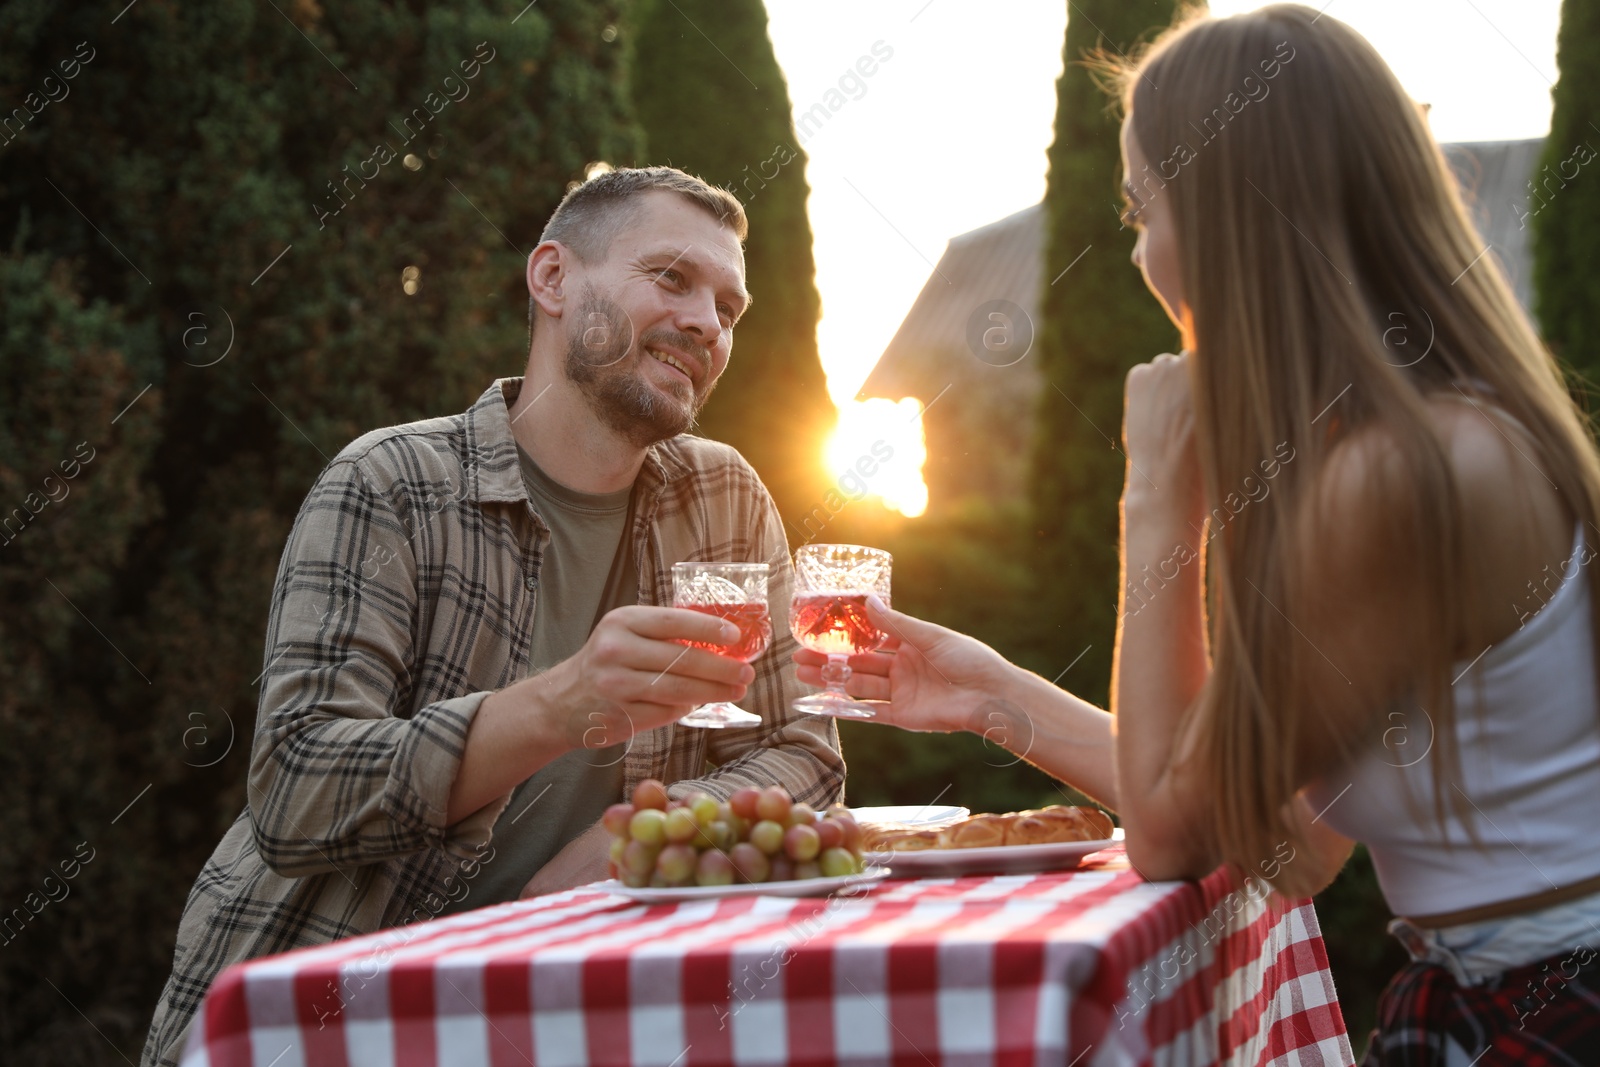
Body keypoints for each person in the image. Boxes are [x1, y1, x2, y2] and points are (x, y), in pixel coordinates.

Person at [796, 5, 1600, 1062]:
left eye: (1141, 211)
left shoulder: (1401, 476)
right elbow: (1286, 836)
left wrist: (1157, 492)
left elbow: (1177, 837)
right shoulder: (1423, 438)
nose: (1140, 254)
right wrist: (992, 696)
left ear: (1227, 218)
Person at [142, 166, 844, 1066]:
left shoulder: (725, 500)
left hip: (584, 1017)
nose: (709, 322)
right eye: (671, 278)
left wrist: (626, 845)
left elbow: (805, 753)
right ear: (552, 279)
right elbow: (296, 787)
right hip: (335, 1020)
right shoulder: (388, 486)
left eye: (729, 308)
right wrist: (559, 705)